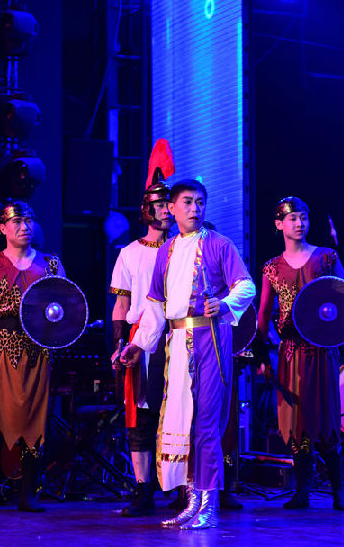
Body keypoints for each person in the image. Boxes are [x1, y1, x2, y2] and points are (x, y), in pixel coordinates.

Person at [120, 179, 255, 530]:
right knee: (182, 421)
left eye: (200, 202)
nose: (195, 208)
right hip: (177, 341)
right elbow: (155, 306)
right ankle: (192, 500)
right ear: (172, 208)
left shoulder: (218, 244)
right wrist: (138, 345)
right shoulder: (166, 251)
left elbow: (246, 285)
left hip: (209, 337)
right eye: (187, 202)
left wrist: (224, 303)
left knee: (207, 421)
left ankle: (209, 505)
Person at [253, 197, 344, 511]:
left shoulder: (326, 257)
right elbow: (263, 314)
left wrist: (341, 336)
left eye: (304, 217)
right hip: (291, 352)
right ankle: (302, 492)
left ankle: (339, 491)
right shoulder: (272, 267)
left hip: (322, 350)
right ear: (279, 224)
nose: (299, 223)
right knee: (296, 420)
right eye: (293, 218)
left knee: (327, 415)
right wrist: (260, 356)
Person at [0, 201, 65, 512]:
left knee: (33, 419)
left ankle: (27, 493)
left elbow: (65, 308)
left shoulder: (51, 264)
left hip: (36, 351)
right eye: (18, 221)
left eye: (29, 220)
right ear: (3, 228)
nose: (25, 227)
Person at [109, 170, 174, 517]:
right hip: (140, 342)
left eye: (169, 204)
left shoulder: (183, 249)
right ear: (147, 210)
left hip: (177, 336)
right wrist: (120, 344)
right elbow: (122, 303)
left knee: (179, 413)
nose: (166, 211)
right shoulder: (129, 253)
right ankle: (143, 490)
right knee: (141, 415)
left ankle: (182, 489)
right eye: (160, 205)